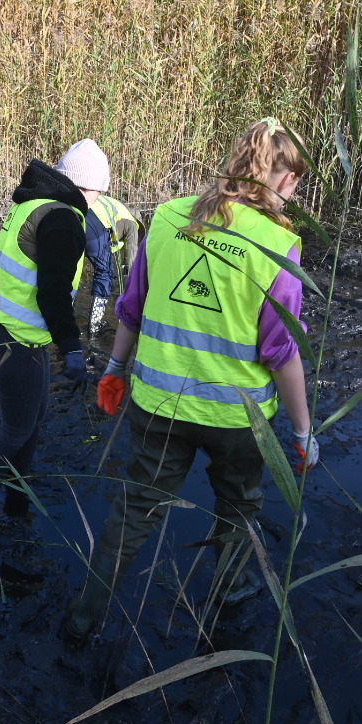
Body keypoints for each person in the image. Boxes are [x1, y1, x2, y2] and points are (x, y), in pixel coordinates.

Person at [64, 119, 320, 642]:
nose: (293, 192)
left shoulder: (167, 217)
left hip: (159, 405)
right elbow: (281, 352)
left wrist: (114, 369)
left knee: (136, 510)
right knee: (239, 507)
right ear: (286, 177)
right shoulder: (278, 244)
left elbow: (131, 307)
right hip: (239, 419)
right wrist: (302, 430)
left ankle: (85, 616)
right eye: (295, 181)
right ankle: (228, 591)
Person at [0, 140, 103, 527]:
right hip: (14, 339)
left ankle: (17, 499)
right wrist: (71, 349)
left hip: (5, 328)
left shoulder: (35, 203)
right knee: (16, 428)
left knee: (31, 419)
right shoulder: (62, 219)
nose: (98, 201)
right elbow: (52, 293)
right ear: (90, 187)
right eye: (99, 192)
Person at [85, 190, 139, 333]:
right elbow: (132, 258)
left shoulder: (115, 207)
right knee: (105, 273)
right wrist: (132, 285)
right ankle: (95, 326)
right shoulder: (131, 223)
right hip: (92, 224)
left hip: (77, 215)